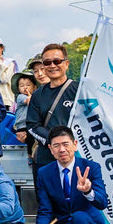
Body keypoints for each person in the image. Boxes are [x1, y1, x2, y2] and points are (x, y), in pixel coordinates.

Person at [25, 126, 108, 224]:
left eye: (66, 144)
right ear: (50, 149)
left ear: (75, 144)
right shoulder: (44, 173)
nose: (62, 149)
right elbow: (44, 210)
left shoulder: (91, 168)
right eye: (56, 145)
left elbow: (102, 202)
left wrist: (88, 191)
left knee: (79, 217)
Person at [26, 44, 78, 179]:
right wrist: (56, 141)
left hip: (77, 158)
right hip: (46, 160)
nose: (52, 65)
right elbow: (32, 126)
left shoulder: (79, 90)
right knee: (46, 199)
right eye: (47, 62)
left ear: (66, 64)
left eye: (57, 61)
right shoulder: (38, 95)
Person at [10, 70, 38, 143]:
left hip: (31, 125)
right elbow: (28, 100)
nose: (25, 87)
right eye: (22, 86)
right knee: (30, 140)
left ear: (34, 87)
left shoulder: (35, 97)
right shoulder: (20, 97)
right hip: (23, 125)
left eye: (28, 85)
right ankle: (30, 154)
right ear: (18, 88)